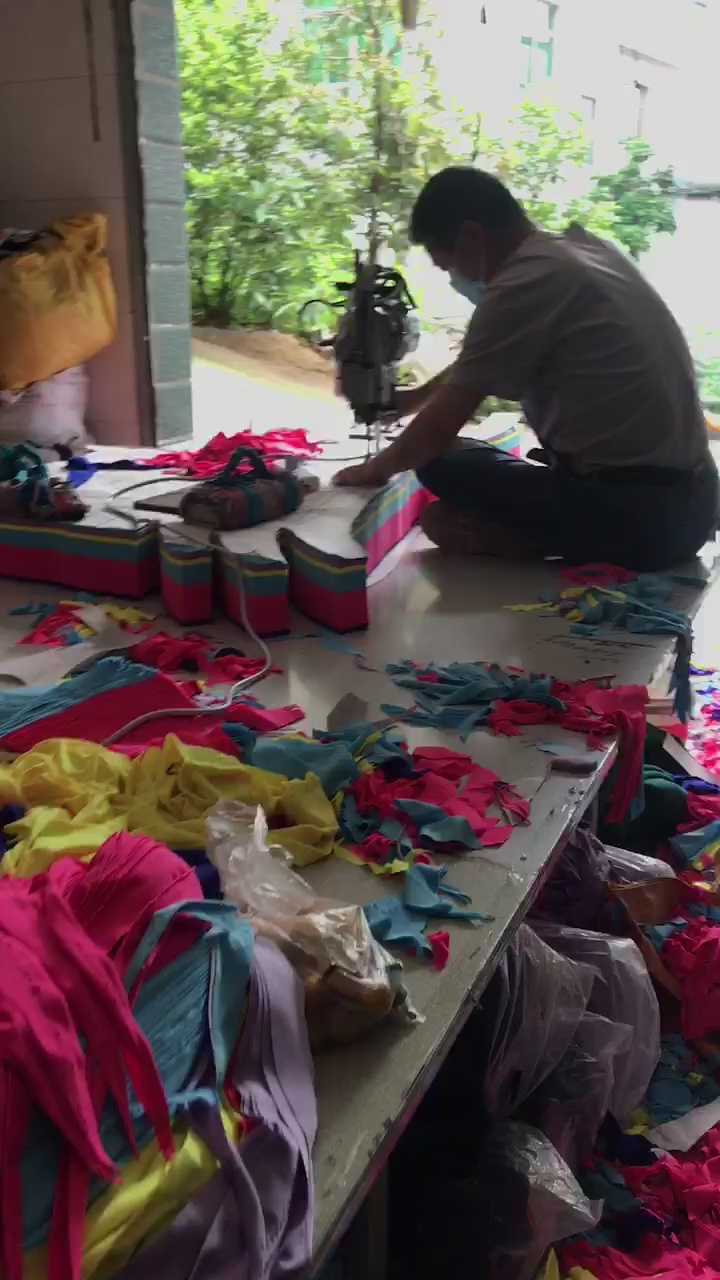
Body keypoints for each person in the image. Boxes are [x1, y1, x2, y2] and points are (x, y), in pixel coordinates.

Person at [334, 167, 719, 570]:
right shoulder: (581, 252)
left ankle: (533, 541)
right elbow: (481, 362)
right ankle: (556, 531)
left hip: (646, 516)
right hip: (698, 500)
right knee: (451, 462)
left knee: (437, 466)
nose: (454, 279)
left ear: (471, 238)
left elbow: (437, 431)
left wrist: (373, 470)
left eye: (448, 267)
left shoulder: (523, 282)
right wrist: (412, 400)